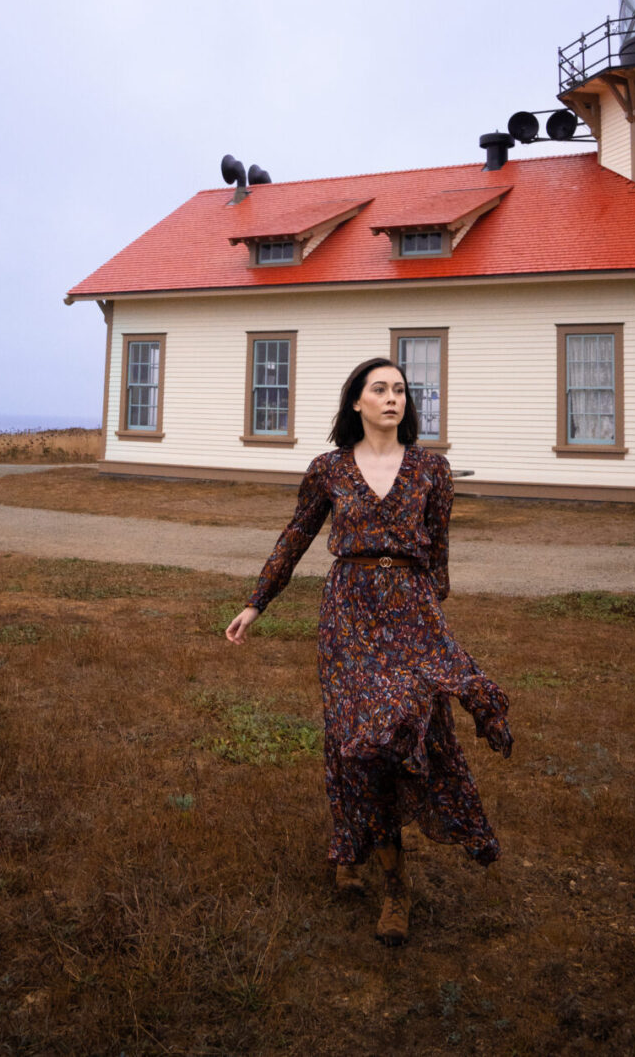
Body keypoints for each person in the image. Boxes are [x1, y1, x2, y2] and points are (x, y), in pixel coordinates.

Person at [226, 356, 512, 946]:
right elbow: (296, 537)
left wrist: (429, 627)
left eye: (400, 390)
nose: (392, 398)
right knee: (357, 742)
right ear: (355, 400)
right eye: (378, 389)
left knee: (401, 734)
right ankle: (385, 873)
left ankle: (376, 865)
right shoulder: (328, 468)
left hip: (410, 616)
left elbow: (438, 558)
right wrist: (258, 602)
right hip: (347, 618)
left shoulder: (433, 470)